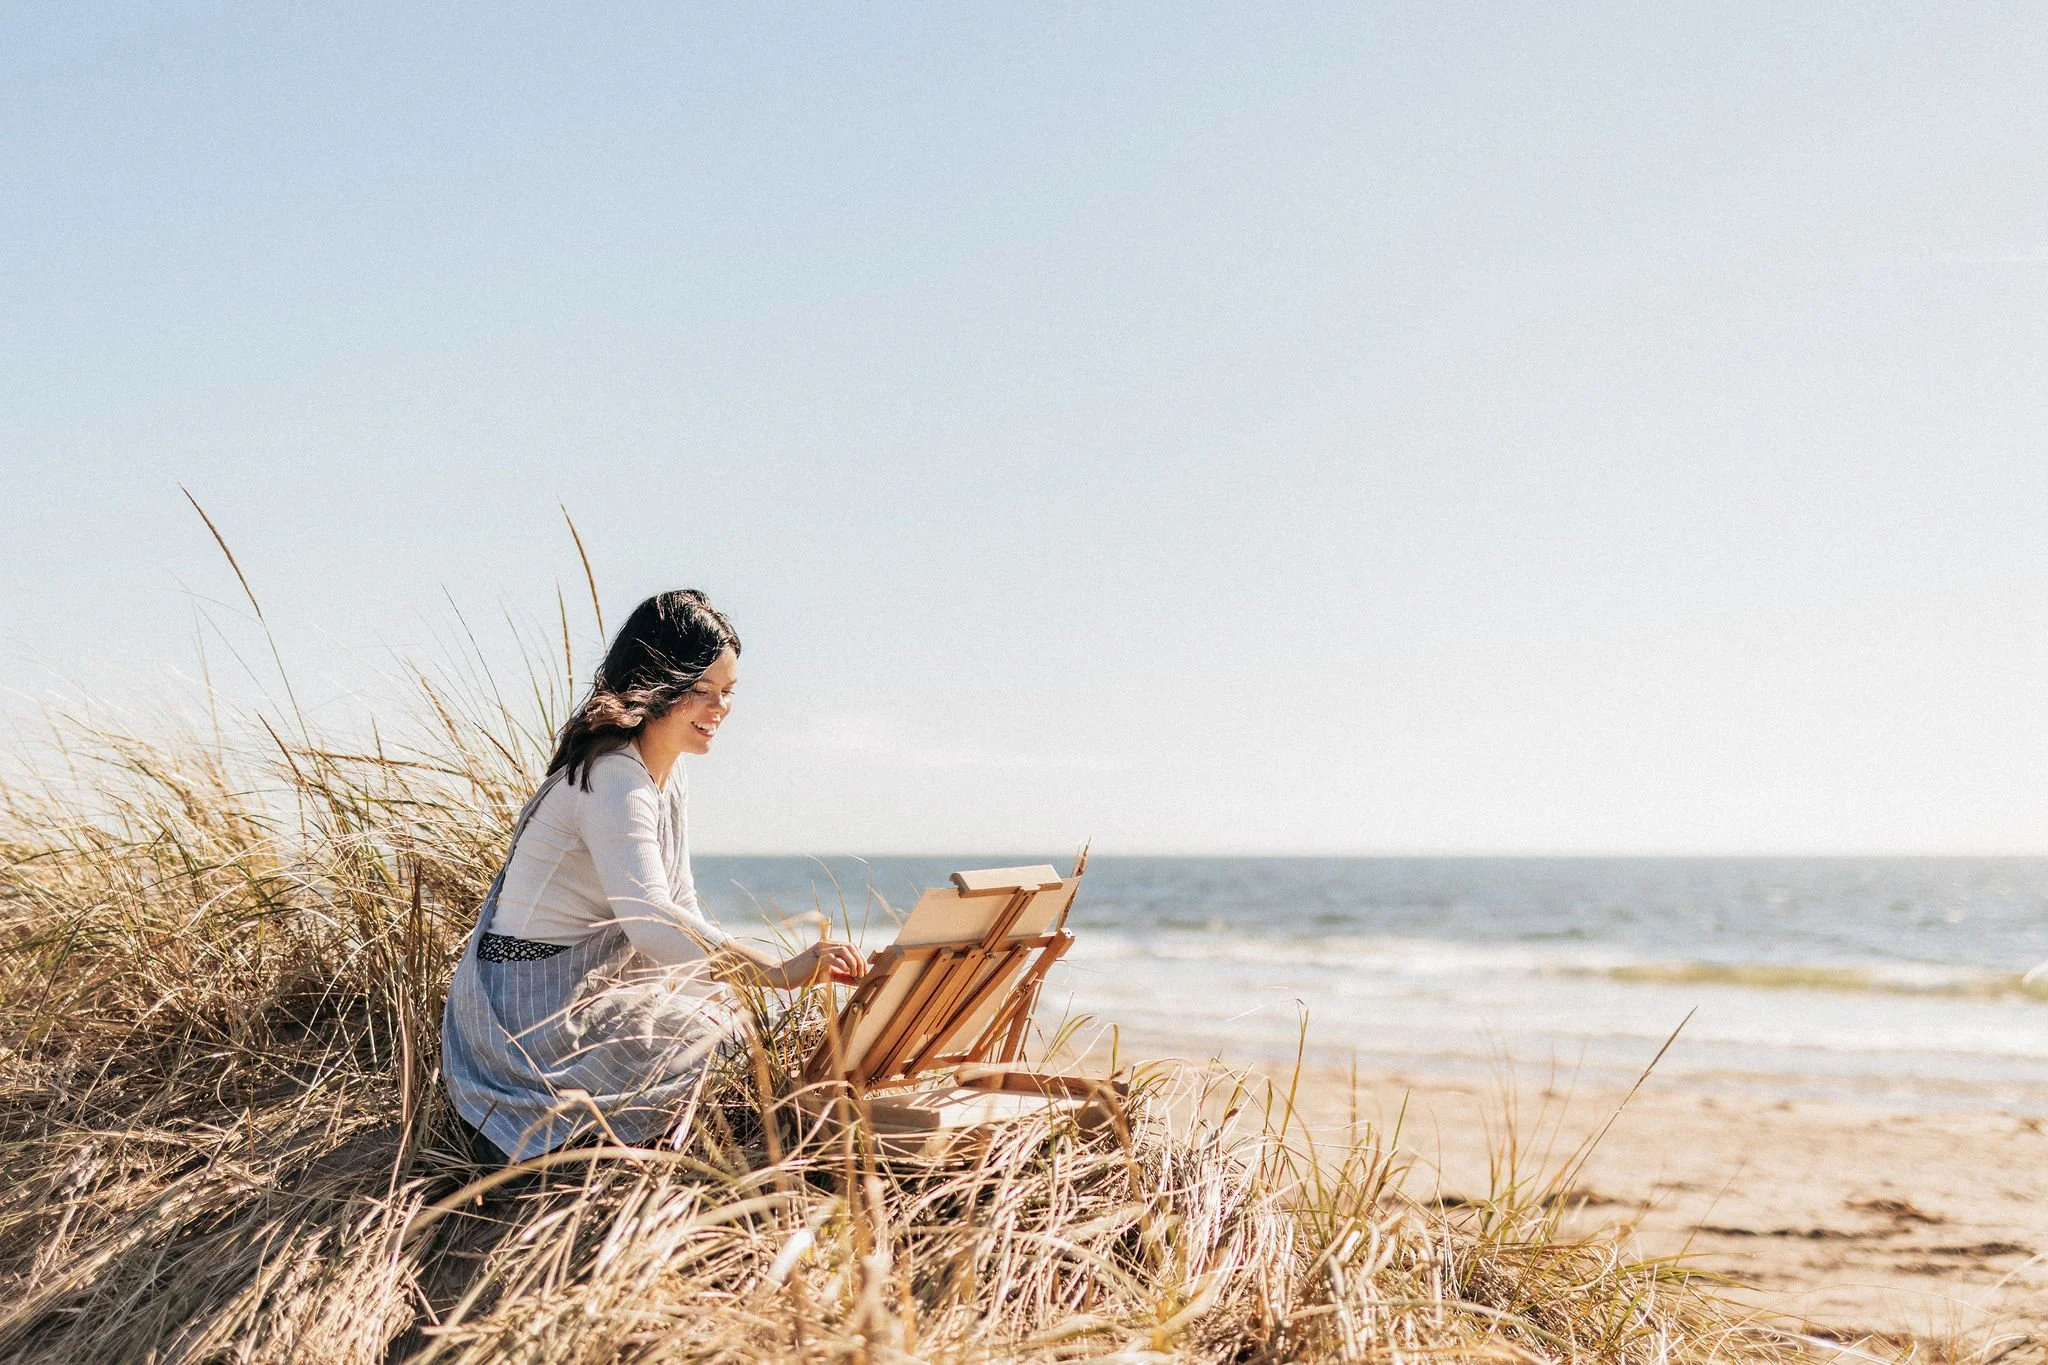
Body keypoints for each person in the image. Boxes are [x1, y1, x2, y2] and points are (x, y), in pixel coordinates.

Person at [440, 589, 866, 1163]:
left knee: (733, 1021)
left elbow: (679, 905)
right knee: (720, 1033)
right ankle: (620, 1149)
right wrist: (778, 973)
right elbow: (651, 922)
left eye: (727, 693)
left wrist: (729, 996)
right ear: (656, 683)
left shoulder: (665, 772)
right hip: (528, 1015)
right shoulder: (613, 777)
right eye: (701, 691)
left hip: (587, 987)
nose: (719, 708)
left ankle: (660, 1129)